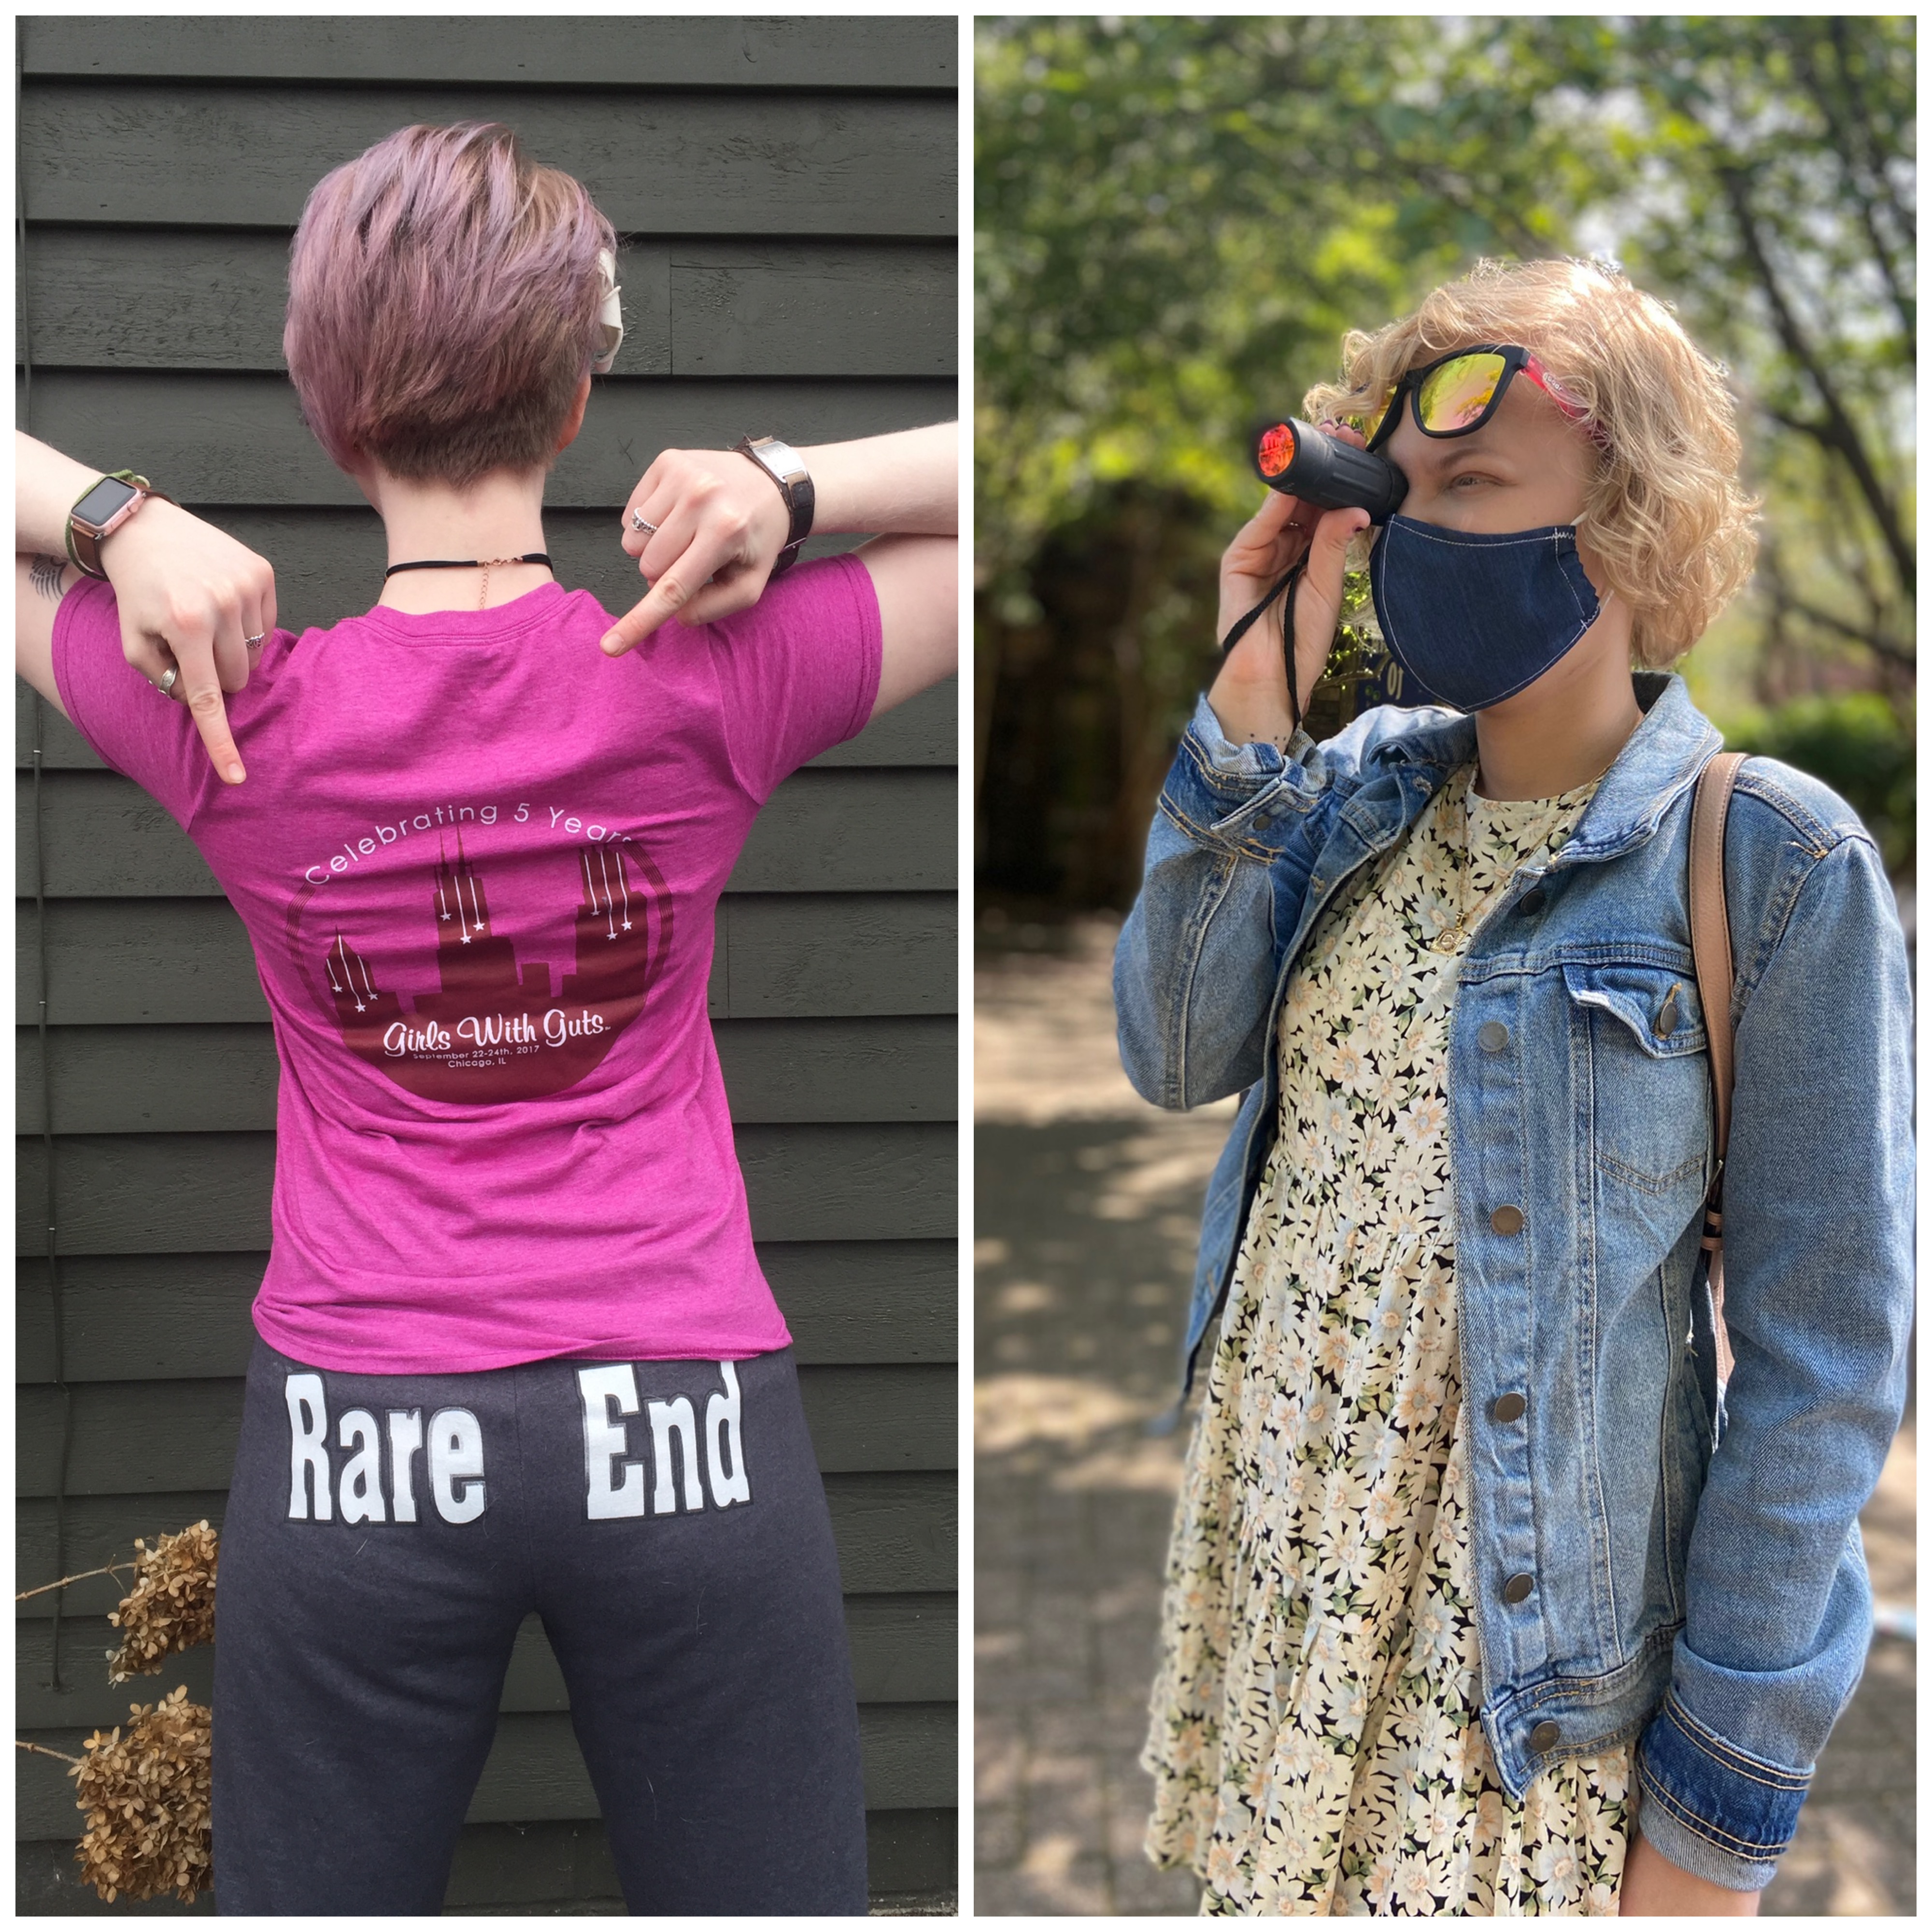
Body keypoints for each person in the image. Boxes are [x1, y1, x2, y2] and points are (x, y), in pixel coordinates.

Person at [15, 120, 957, 1917]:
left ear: (326, 403)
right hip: (681, 1417)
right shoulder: (706, 680)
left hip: (359, 1431)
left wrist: (105, 520)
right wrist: (795, 483)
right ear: (578, 389)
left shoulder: (234, 718)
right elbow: (1003, 499)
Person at [1113, 258, 1911, 1917]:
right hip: (1287, 1597)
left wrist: (1710, 1832)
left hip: (1507, 1699)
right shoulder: (1345, 801)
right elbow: (1173, 1047)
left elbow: (1824, 1367)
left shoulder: (1770, 862)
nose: (1417, 539)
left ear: (1624, 527)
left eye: (1474, 487)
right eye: (1395, 501)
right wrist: (1251, 688)